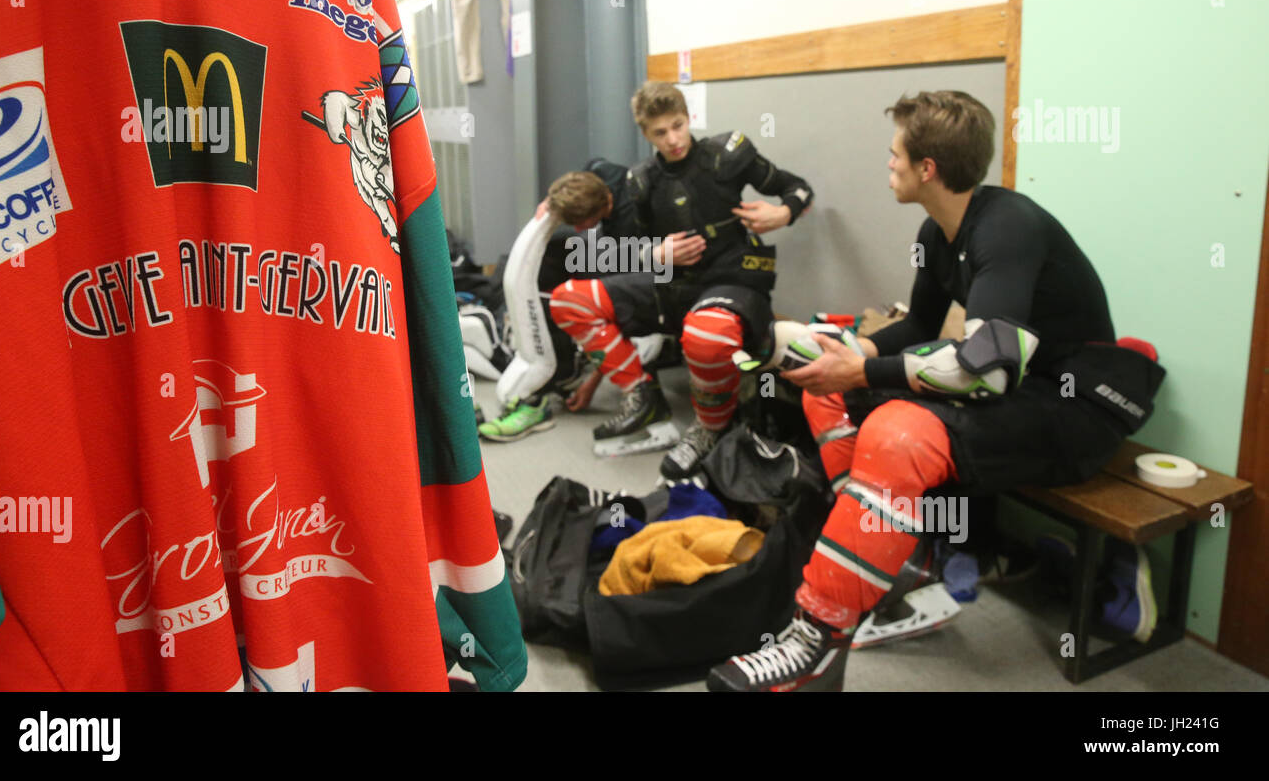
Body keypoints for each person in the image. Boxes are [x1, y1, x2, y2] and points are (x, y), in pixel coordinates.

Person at [707, 90, 1164, 692]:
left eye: (895, 153)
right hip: (1016, 394)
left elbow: (987, 371)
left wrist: (865, 373)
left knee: (901, 433)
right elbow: (920, 327)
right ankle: (893, 556)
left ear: (928, 168)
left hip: (1073, 407)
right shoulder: (935, 229)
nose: (887, 163)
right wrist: (844, 352)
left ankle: (817, 637)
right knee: (826, 390)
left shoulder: (1009, 227)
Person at [548, 81, 815, 476]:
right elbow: (626, 254)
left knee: (706, 332)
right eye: (660, 132)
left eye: (678, 125)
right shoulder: (640, 182)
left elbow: (799, 188)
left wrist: (784, 213)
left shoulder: (728, 154)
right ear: (645, 133)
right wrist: (655, 255)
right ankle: (643, 396)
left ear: (689, 118)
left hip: (734, 282)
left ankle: (709, 426)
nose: (673, 139)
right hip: (674, 286)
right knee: (569, 298)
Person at [477, 161, 639, 441]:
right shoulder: (599, 172)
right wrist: (549, 203)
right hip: (604, 249)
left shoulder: (627, 227)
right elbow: (576, 180)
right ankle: (555, 364)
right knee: (550, 257)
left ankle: (564, 374)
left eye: (579, 223)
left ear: (600, 211)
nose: (576, 228)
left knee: (589, 285)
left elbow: (618, 317)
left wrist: (592, 383)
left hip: (644, 263)